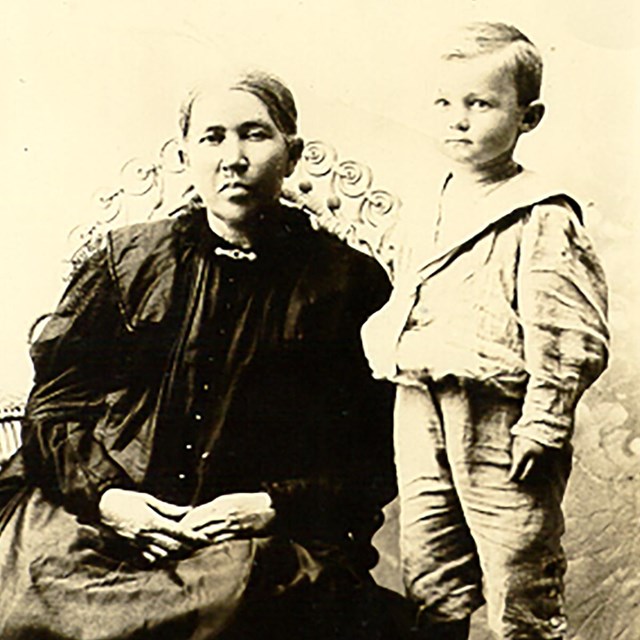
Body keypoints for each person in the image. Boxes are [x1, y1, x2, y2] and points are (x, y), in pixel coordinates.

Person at [0, 69, 402, 639]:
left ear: (292, 154)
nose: (232, 157)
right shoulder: (126, 262)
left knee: (241, 598)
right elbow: (55, 409)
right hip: (102, 514)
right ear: (186, 154)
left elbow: (373, 450)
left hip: (243, 537)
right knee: (33, 586)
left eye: (254, 135)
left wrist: (272, 505)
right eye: (212, 137)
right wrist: (109, 499)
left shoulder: (343, 282)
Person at [361, 22, 609, 640]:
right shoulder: (427, 203)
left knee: (516, 566)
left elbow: (570, 332)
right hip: (419, 403)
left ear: (528, 117)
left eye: (480, 104)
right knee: (430, 569)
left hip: (502, 414)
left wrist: (545, 423)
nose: (458, 120)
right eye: (445, 103)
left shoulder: (542, 213)